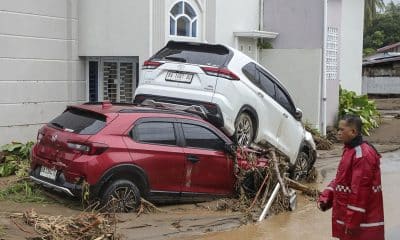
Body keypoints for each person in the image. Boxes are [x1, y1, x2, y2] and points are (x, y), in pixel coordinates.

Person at [318, 114, 384, 240]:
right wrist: (327, 196)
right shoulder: (350, 150)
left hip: (361, 224)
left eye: (341, 130)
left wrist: (351, 223)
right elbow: (341, 179)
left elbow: (359, 192)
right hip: (350, 219)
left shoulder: (362, 155)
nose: (338, 133)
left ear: (353, 131)